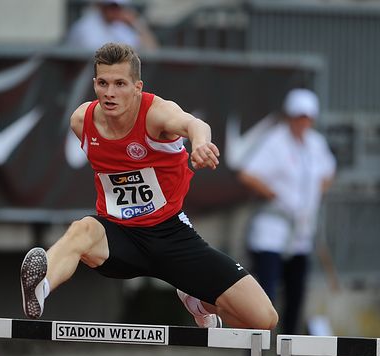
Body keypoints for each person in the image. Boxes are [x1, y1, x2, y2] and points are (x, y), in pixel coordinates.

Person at [20, 42, 278, 331]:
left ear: (137, 87)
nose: (110, 93)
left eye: (120, 84)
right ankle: (40, 287)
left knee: (263, 319)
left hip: (170, 235)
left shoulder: (156, 114)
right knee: (82, 230)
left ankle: (198, 301)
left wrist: (201, 144)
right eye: (103, 83)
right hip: (120, 237)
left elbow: (195, 124)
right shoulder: (82, 121)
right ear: (94, 84)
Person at [237, 88, 336, 356]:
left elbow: (329, 172)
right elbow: (247, 173)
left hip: (301, 235)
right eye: (298, 117)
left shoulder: (315, 144)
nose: (302, 123)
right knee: (263, 299)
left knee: (295, 297)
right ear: (290, 117)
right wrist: (277, 198)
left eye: (307, 118)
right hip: (271, 233)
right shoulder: (275, 142)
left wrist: (311, 200)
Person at [66, 0, 158, 51]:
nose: (116, 11)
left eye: (120, 8)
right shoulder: (85, 26)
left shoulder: (120, 27)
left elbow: (151, 50)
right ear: (101, 6)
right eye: (112, 6)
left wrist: (137, 23)